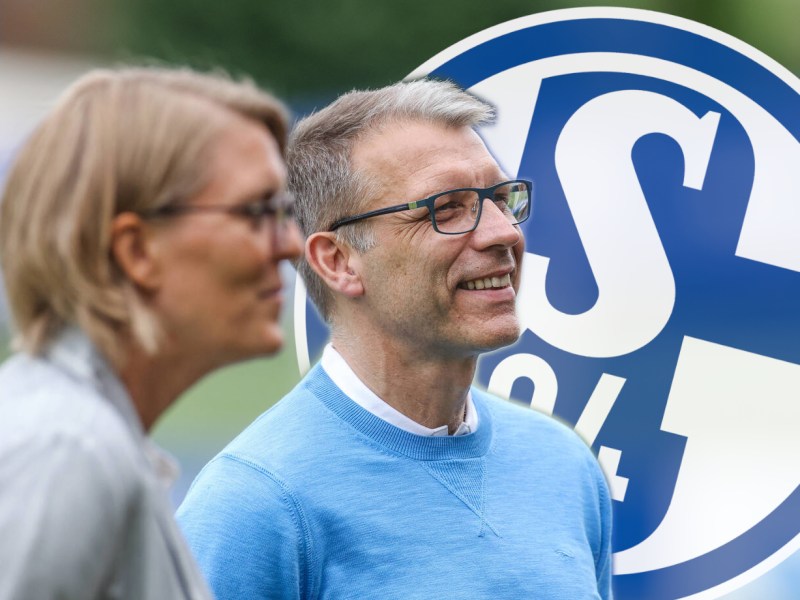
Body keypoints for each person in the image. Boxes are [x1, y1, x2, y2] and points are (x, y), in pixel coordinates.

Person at [177, 79, 613, 599]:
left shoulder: (564, 467)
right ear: (337, 261)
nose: (503, 233)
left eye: (500, 198)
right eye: (445, 208)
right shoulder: (256, 504)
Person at [0, 66, 303, 599]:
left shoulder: (92, 438)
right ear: (137, 250)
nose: (290, 246)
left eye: (285, 212)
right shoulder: (67, 448)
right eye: (257, 212)